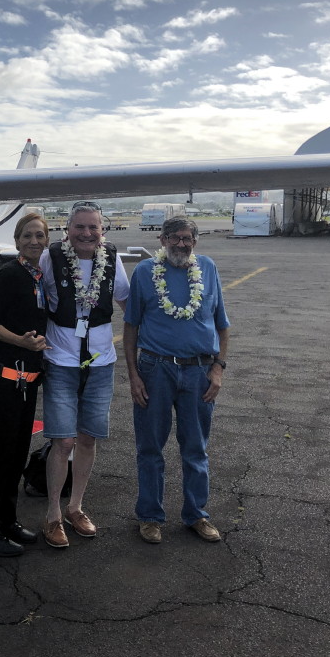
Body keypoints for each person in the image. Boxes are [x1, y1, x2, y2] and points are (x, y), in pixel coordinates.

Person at [122, 216, 230, 545]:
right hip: (155, 369)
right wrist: (134, 376)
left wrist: (218, 369)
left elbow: (222, 325)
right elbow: (131, 328)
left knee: (195, 448)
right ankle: (150, 517)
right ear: (163, 240)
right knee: (150, 447)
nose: (180, 244)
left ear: (195, 242)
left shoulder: (208, 268)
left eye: (187, 238)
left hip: (199, 371)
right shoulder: (144, 272)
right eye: (174, 238)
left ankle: (196, 514)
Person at [38, 201, 129, 548]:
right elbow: (37, 296)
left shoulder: (112, 259)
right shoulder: (52, 258)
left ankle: (76, 507)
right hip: (61, 360)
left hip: (101, 361)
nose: (87, 234)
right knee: (62, 441)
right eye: (80, 227)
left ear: (102, 231)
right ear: (68, 229)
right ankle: (52, 515)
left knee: (88, 438)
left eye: (94, 227)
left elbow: (126, 301)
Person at [0, 213, 51, 557]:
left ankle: (7, 520)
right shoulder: (10, 274)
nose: (34, 241)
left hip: (25, 384)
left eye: (40, 236)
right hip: (1, 381)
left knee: (16, 457)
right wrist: (21, 342)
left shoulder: (41, 278)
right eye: (27, 236)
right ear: (16, 241)